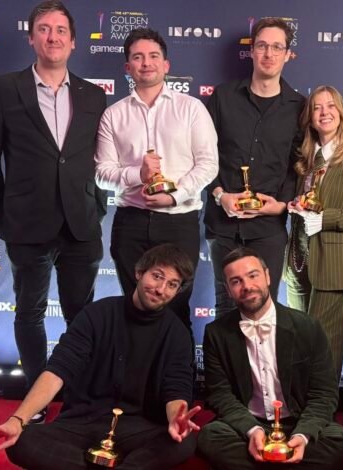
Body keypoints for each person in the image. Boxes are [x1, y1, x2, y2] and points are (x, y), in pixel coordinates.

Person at [0, 0, 107, 422]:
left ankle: (79, 396)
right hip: (25, 222)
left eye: (61, 30)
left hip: (81, 223)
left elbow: (99, 158)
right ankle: (34, 404)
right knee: (29, 312)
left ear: (73, 40)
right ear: (31, 37)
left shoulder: (93, 94)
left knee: (81, 316)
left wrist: (98, 205)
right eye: (44, 29)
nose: (53, 37)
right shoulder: (2, 87)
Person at [0, 244, 201, 470]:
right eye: (157, 276)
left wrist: (175, 420)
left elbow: (176, 388)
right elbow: (57, 371)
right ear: (139, 273)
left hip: (137, 429)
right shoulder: (97, 314)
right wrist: (17, 420)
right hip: (82, 423)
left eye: (172, 284)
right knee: (21, 442)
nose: (161, 289)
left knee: (184, 441)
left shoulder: (177, 333)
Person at [94, 27, 218, 333]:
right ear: (128, 67)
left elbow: (208, 164)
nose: (146, 63)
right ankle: (137, 382)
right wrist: (138, 174)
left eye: (153, 56)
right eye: (138, 57)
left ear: (166, 65)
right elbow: (101, 173)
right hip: (130, 224)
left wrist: (174, 195)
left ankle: (177, 382)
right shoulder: (113, 115)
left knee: (176, 312)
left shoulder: (191, 108)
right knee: (134, 310)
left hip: (178, 222)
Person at [198, 247, 343, 469]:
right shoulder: (216, 333)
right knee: (210, 436)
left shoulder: (307, 326)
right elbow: (220, 395)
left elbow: (324, 394)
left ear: (267, 276)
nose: (247, 286)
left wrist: (303, 435)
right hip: (249, 424)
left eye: (253, 275)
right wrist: (251, 430)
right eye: (236, 281)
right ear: (227, 289)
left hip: (297, 421)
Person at [204, 18, 305, 316]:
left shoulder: (300, 107)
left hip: (268, 229)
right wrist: (220, 194)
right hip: (223, 224)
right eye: (262, 46)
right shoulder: (222, 97)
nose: (269, 54)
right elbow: (203, 156)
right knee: (225, 307)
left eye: (277, 47)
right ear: (251, 51)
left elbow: (298, 164)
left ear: (288, 54)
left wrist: (281, 205)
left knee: (265, 308)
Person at [284, 85, 343, 381]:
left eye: (331, 106)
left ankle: (322, 414)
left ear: (341, 113)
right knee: (299, 340)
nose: (324, 113)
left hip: (335, 263)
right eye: (317, 108)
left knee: (324, 345)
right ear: (309, 117)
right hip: (298, 260)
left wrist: (321, 220)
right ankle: (298, 409)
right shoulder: (307, 158)